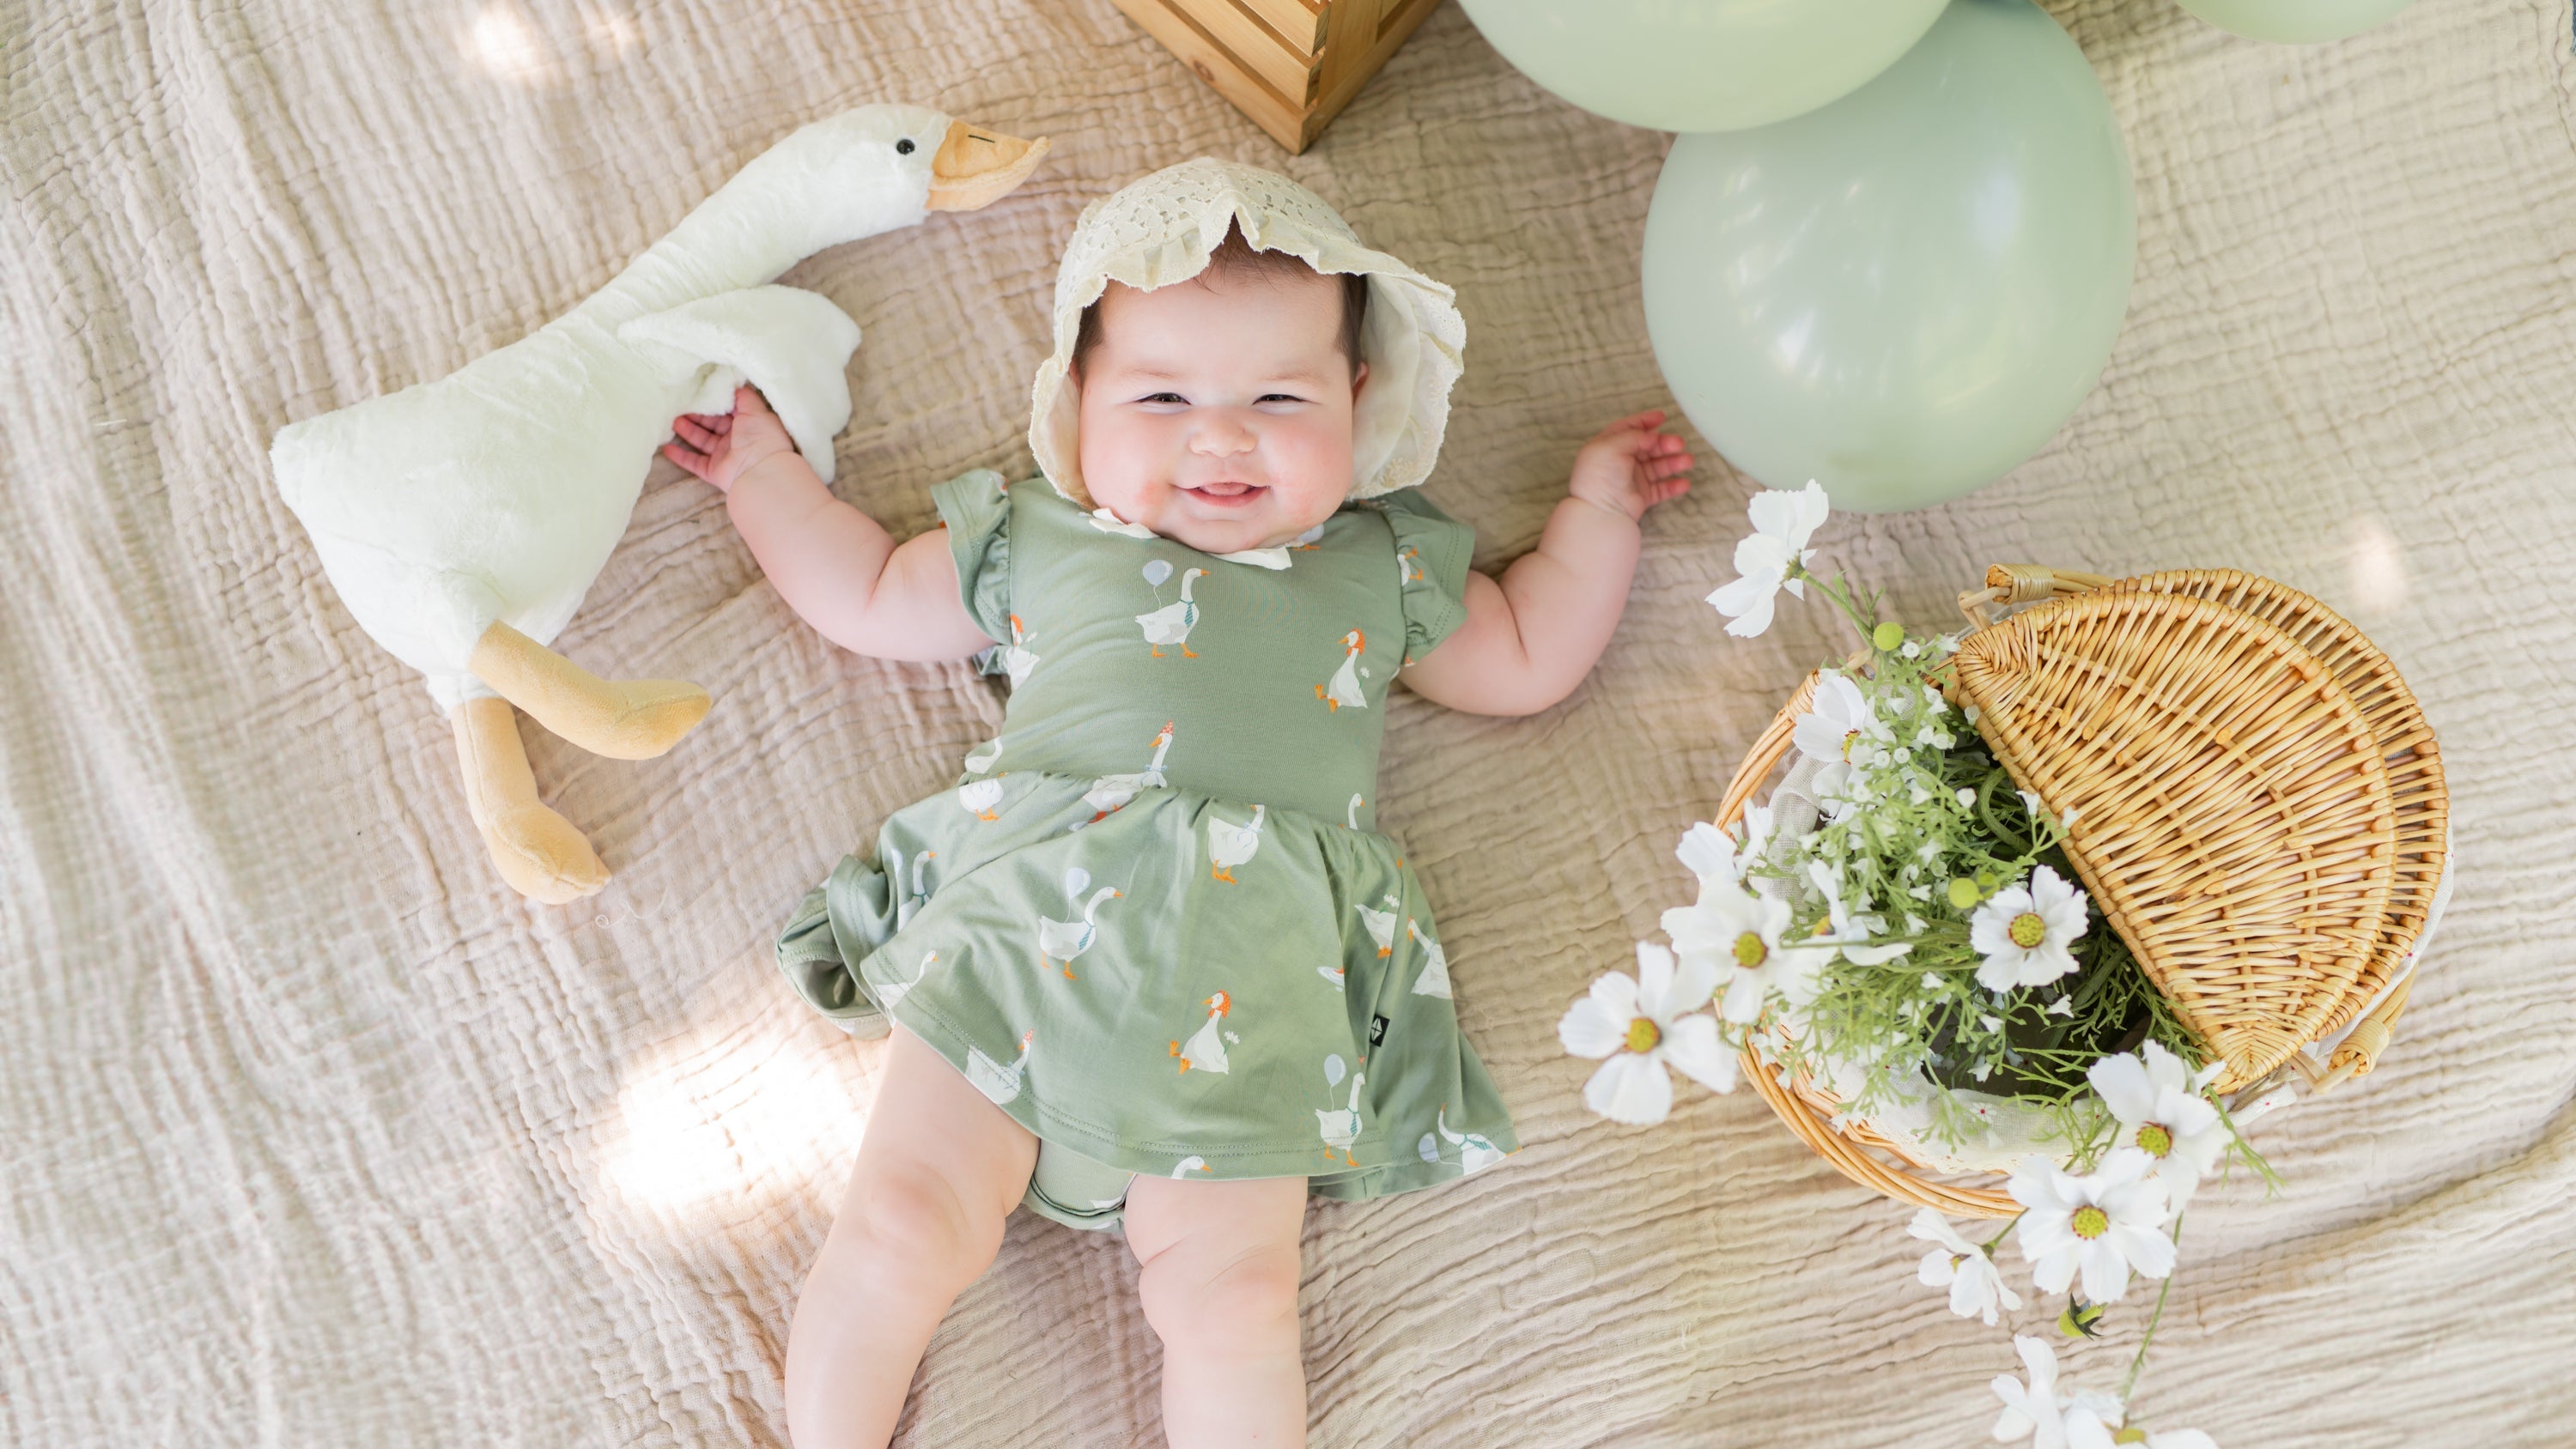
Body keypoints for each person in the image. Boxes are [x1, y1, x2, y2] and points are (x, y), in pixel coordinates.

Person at [663, 159, 1692, 1449]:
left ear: (1357, 401)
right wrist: (764, 479)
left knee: (1239, 1296)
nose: (1222, 436)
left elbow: (1527, 658)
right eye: (1161, 397)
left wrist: (1595, 517)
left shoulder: (1377, 563)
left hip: (1254, 983)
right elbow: (867, 593)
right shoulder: (1044, 535)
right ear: (1079, 403)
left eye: (1278, 397)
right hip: (1028, 930)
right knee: (905, 1221)